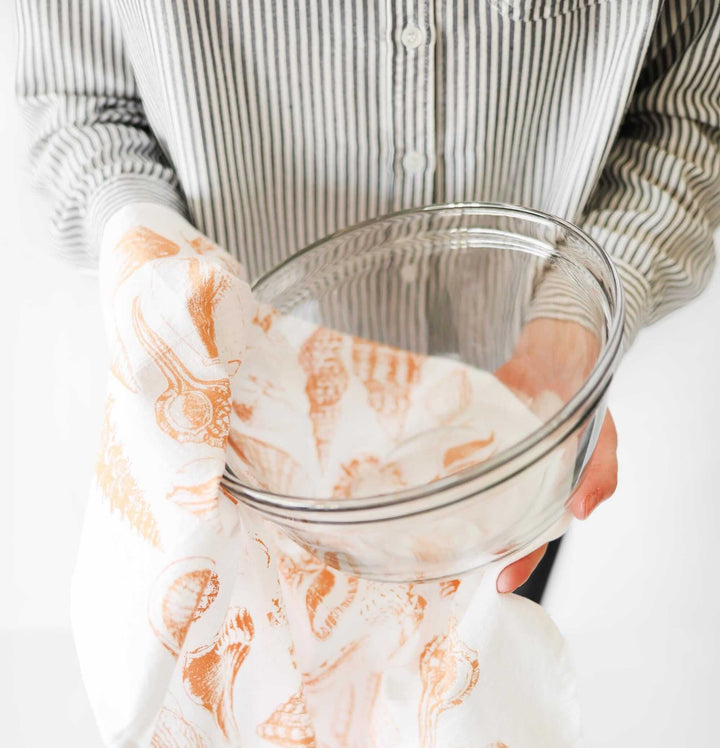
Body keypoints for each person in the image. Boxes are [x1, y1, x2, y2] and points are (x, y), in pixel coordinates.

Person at [15, 0, 720, 600]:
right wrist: (157, 279)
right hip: (246, 459)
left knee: (468, 728)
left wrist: (566, 343)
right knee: (270, 746)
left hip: (514, 438)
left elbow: (686, 115)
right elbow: (78, 102)